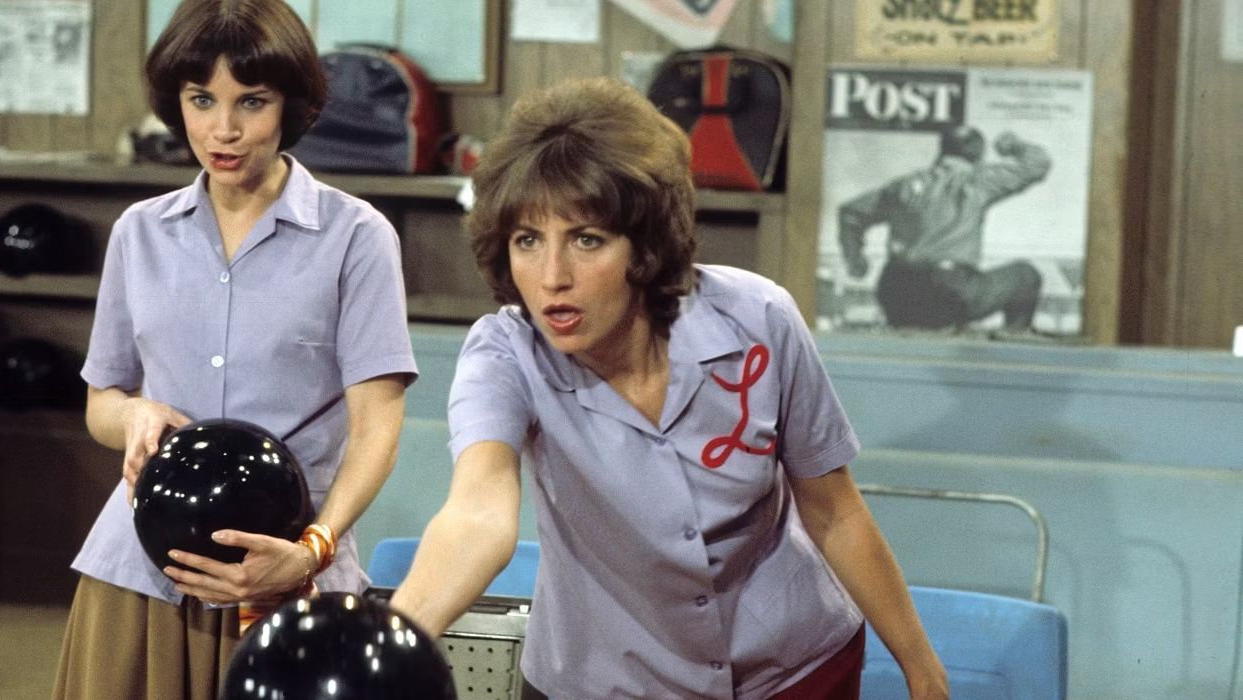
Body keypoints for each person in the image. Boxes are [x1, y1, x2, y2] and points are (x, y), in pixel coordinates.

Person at [389, 77, 948, 699]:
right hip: (606, 683)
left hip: (791, 669)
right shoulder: (504, 354)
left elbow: (833, 508)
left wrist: (922, 669)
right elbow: (477, 511)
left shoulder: (759, 316)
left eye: (587, 239)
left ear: (646, 245)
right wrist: (385, 651)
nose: (552, 277)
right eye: (528, 241)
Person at [52, 0, 417, 697]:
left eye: (251, 101)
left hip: (288, 574)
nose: (223, 129)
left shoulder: (356, 237)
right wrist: (131, 417)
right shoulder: (140, 232)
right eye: (201, 100)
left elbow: (378, 428)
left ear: (291, 107)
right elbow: (102, 401)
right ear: (176, 103)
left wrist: (312, 550)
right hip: (139, 576)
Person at [838, 126, 1051, 332]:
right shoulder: (978, 180)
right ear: (978, 156)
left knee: (924, 295)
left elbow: (849, 213)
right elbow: (1038, 163)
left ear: (942, 151)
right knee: (1026, 276)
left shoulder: (903, 186)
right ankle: (1014, 340)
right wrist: (1013, 145)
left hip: (896, 293)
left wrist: (855, 260)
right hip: (948, 292)